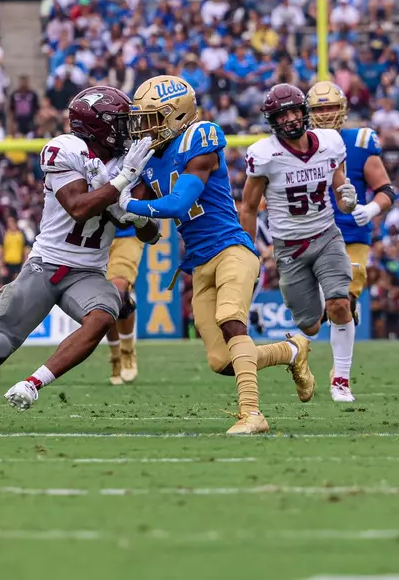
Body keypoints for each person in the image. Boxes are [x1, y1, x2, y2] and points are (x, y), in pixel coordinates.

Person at [0, 87, 156, 429]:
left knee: (104, 314)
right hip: (46, 265)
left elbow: (150, 233)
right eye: (120, 123)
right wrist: (123, 180)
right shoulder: (66, 149)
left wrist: (139, 216)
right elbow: (78, 208)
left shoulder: (132, 160)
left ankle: (33, 383)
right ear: (96, 125)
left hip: (88, 272)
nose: (127, 130)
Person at [117, 76, 312, 435]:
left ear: (177, 116)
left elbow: (179, 203)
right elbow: (146, 228)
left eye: (153, 118)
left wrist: (127, 201)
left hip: (231, 249)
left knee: (230, 318)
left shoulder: (200, 137)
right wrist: (124, 207)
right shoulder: (147, 159)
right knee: (222, 361)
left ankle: (253, 414)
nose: (145, 128)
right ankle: (292, 351)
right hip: (200, 263)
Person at [240, 84, 360, 402]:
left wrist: (348, 200)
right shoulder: (265, 154)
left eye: (295, 110)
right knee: (308, 326)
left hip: (326, 234)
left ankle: (341, 381)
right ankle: (319, 316)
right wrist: (246, 251)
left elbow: (340, 188)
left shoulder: (330, 143)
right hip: (290, 248)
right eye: (283, 114)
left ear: (304, 112)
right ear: (272, 120)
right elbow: (249, 207)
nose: (291, 118)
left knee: (339, 304)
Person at [307, 82, 395, 325]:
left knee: (341, 302)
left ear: (343, 108)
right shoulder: (297, 147)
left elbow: (386, 189)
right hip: (311, 235)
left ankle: (341, 364)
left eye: (331, 108)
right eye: (319, 109)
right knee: (312, 318)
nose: (325, 115)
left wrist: (371, 209)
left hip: (350, 236)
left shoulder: (359, 141)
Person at [103, 221, 145, 385]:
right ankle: (115, 356)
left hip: (127, 233)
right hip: (92, 236)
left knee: (118, 293)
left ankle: (127, 351)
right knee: (103, 300)